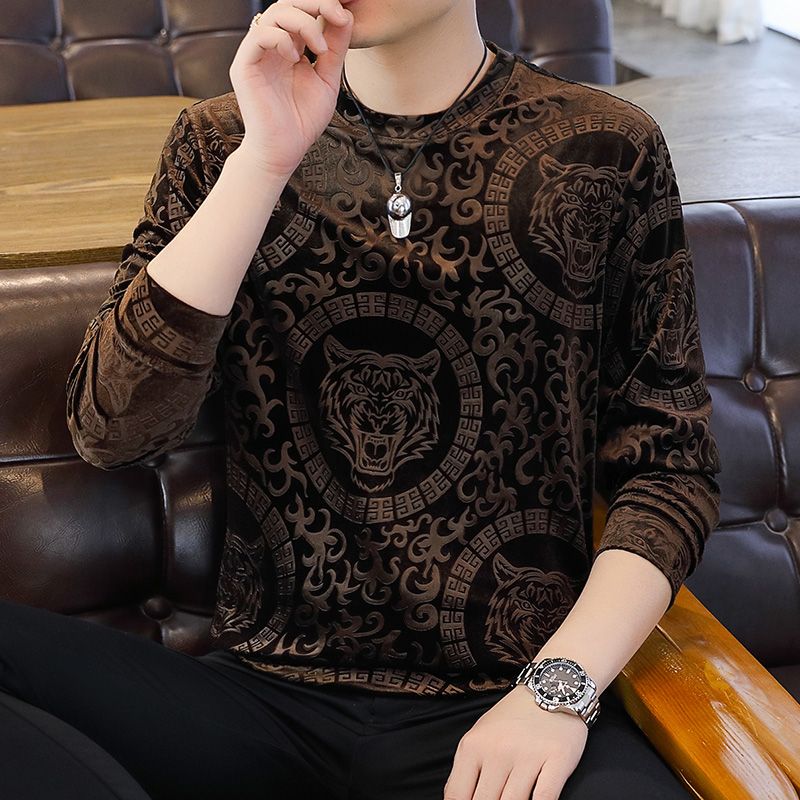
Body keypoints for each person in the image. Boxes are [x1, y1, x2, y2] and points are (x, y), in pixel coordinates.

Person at [0, 0, 722, 798]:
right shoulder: (219, 142)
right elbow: (114, 429)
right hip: (261, 703)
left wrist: (556, 693)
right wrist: (264, 159)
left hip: (503, 706)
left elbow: (668, 470)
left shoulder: (605, 148)